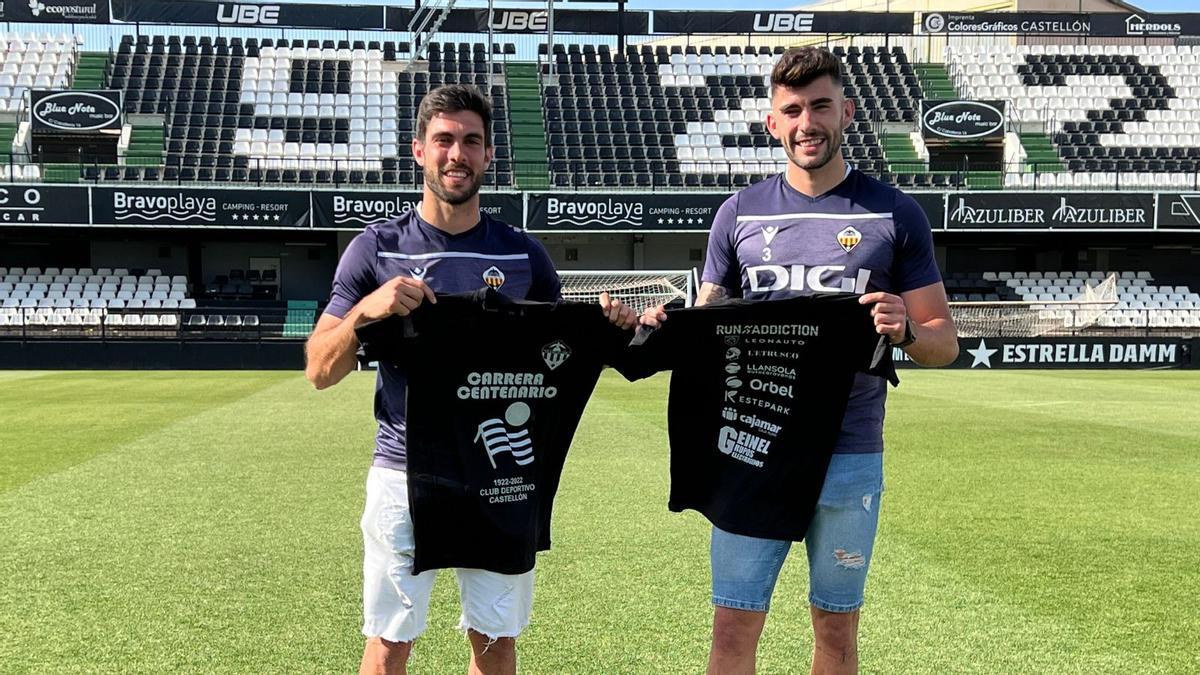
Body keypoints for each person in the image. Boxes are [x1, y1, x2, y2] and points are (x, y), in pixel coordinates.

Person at [642, 47, 959, 674]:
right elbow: (706, 322)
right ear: (772, 123)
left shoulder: (895, 214)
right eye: (792, 109)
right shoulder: (738, 212)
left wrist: (903, 332)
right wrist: (664, 327)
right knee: (732, 630)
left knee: (836, 634)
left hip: (848, 454)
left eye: (819, 106)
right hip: (752, 448)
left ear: (846, 111)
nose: (807, 122)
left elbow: (943, 342)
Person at [305, 84, 634, 675]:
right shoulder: (375, 249)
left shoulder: (523, 257)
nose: (457, 154)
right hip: (406, 470)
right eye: (444, 141)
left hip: (502, 473)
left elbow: (560, 351)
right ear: (418, 151)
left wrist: (611, 325)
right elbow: (319, 369)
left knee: (495, 639)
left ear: (487, 157)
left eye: (471, 142)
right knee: (389, 641)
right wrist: (368, 309)